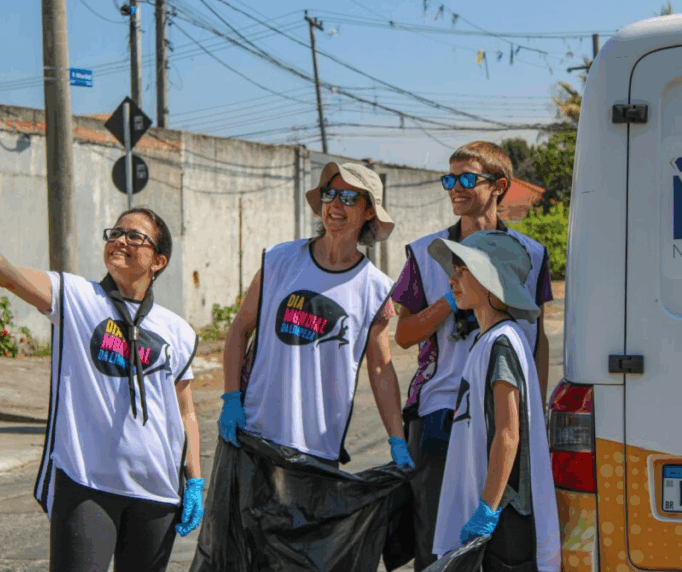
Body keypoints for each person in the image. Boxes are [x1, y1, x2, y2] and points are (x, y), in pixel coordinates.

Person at [0, 163, 204, 572]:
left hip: (158, 489)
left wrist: (195, 479)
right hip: (87, 484)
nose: (119, 240)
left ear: (158, 260)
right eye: (115, 232)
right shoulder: (76, 297)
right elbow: (6, 274)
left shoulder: (178, 331)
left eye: (134, 236)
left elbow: (185, 411)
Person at [391, 141, 553, 571]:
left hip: (505, 413)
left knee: (504, 537)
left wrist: (535, 411)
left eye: (467, 178)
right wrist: (451, 298)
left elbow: (537, 337)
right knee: (439, 537)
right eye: (449, 179)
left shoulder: (532, 253)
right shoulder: (425, 252)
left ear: (499, 186)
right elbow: (403, 335)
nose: (456, 188)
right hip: (443, 412)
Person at [219, 161, 414, 471]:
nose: (335, 205)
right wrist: (231, 399)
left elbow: (380, 369)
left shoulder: (374, 289)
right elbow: (239, 330)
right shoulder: (279, 260)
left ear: (368, 212)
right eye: (329, 194)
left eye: (348, 198)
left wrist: (397, 439)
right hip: (255, 431)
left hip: (318, 446)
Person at [428, 230, 561, 571]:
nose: (452, 279)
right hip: (493, 515)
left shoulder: (501, 343)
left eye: (463, 271)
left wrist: (487, 509)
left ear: (490, 281)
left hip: (505, 520)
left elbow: (507, 432)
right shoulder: (487, 341)